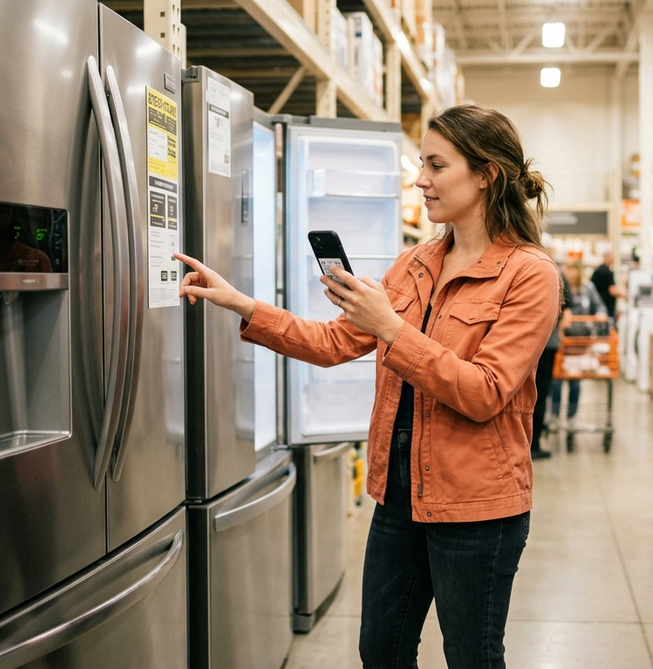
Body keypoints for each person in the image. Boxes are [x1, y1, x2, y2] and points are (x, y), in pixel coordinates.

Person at [174, 104, 560, 669]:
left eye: (435, 165)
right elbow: (332, 343)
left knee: (472, 656)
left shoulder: (529, 274)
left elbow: (484, 392)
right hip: (399, 494)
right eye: (421, 164)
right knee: (380, 649)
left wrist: (390, 327)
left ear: (486, 175)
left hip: (477, 509)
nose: (420, 180)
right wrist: (240, 302)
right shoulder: (415, 264)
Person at [551, 263, 608, 424]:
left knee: (575, 380)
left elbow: (600, 306)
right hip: (562, 340)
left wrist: (600, 314)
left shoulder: (587, 289)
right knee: (557, 380)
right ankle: (554, 415)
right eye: (569, 269)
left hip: (581, 341)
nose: (571, 272)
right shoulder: (557, 286)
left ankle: (571, 415)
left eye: (575, 268)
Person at [529, 264, 571, 459]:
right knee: (539, 394)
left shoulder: (523, 268)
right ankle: (533, 444)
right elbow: (567, 312)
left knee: (527, 395)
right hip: (547, 345)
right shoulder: (553, 272)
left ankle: (529, 443)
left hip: (527, 344)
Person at [589, 250, 626, 322]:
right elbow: (612, 290)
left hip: (597, 308)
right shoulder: (607, 272)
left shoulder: (597, 270)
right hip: (606, 306)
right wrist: (624, 294)